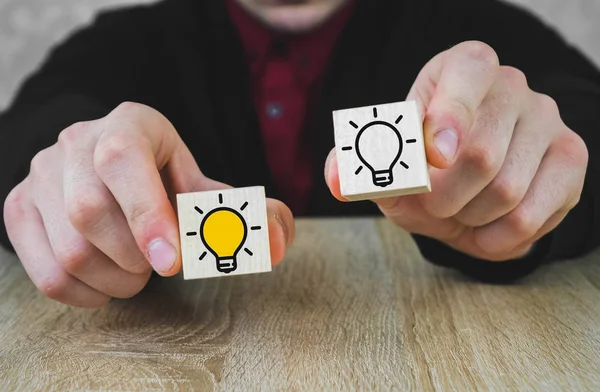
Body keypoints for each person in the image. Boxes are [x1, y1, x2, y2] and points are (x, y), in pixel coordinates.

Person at [0, 0, 599, 308]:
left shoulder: (472, 22)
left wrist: (547, 171)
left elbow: (580, 115)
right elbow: (35, 131)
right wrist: (63, 173)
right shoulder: (123, 42)